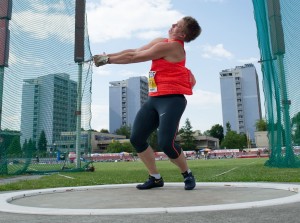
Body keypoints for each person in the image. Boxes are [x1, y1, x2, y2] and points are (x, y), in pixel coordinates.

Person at [94, 16, 201, 190]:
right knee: (137, 138)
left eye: (177, 25)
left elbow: (133, 57)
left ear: (182, 34)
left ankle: (187, 174)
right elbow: (135, 50)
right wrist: (106, 56)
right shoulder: (161, 42)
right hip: (154, 99)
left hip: (172, 100)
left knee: (167, 143)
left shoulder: (171, 47)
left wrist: (107, 61)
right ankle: (155, 177)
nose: (172, 25)